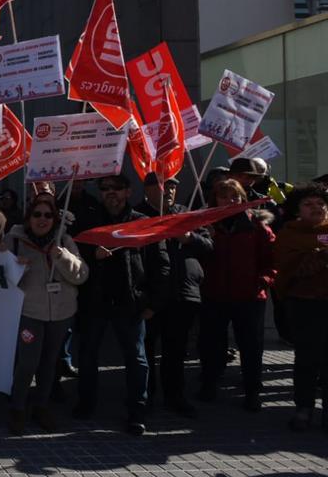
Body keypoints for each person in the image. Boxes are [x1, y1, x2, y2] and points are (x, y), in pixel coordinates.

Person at [72, 174, 169, 436]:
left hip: (131, 303)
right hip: (96, 303)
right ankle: (86, 404)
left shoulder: (142, 223)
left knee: (137, 359)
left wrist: (153, 303)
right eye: (105, 189)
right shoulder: (88, 219)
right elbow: (73, 257)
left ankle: (137, 411)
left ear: (128, 191)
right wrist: (93, 255)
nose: (110, 193)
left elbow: (160, 264)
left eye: (116, 188)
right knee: (87, 356)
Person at [3, 194, 89, 434]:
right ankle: (18, 407)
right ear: (29, 217)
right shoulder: (14, 239)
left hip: (61, 313)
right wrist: (13, 265)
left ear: (55, 218)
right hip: (29, 312)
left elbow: (82, 275)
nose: (42, 220)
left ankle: (41, 406)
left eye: (48, 215)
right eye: (37, 214)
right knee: (27, 362)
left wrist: (63, 256)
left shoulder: (64, 240)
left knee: (49, 363)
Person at [137, 173, 212, 418]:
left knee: (175, 350)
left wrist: (190, 238)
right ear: (147, 190)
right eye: (162, 186)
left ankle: (175, 396)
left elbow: (209, 246)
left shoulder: (187, 213)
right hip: (149, 295)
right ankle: (144, 396)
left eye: (172, 187)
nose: (168, 191)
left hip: (182, 293)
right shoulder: (137, 215)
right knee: (145, 350)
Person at [197, 179, 275, 412]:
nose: (230, 201)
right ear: (215, 200)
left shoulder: (257, 226)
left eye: (235, 196)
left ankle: (252, 392)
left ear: (243, 199)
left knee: (251, 347)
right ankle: (210, 385)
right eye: (224, 196)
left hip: (249, 297)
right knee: (211, 344)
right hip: (215, 294)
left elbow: (271, 262)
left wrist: (261, 282)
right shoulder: (207, 225)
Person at [274, 184, 328, 431]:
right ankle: (303, 409)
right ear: (298, 210)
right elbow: (285, 267)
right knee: (306, 359)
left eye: (320, 204)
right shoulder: (289, 234)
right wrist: (315, 257)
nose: (316, 208)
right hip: (303, 303)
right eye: (309, 204)